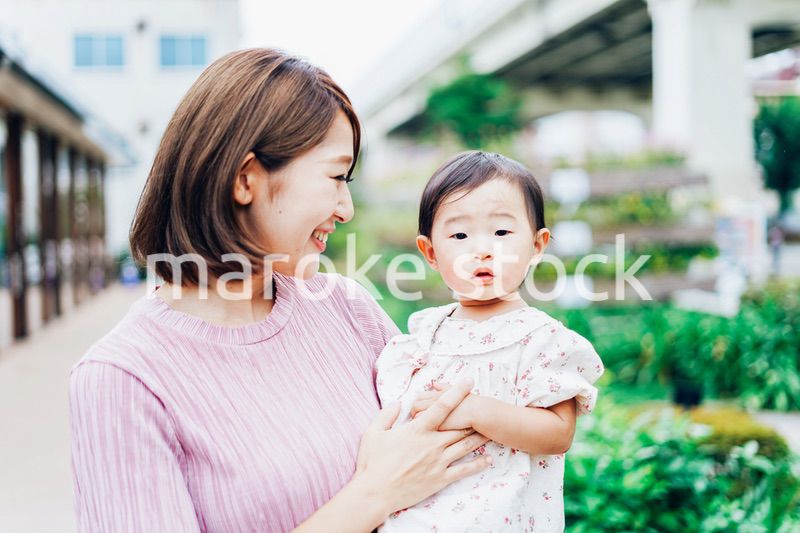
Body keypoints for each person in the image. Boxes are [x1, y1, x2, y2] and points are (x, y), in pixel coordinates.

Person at [68, 48, 492, 533]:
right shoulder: (123, 379)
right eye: (336, 176)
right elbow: (395, 482)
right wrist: (374, 494)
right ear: (245, 178)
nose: (346, 208)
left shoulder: (346, 309)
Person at [375, 151, 605, 532]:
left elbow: (557, 434)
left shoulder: (541, 340)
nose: (481, 249)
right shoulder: (423, 337)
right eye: (460, 235)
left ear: (537, 245)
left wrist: (473, 411)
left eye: (501, 232)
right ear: (431, 252)